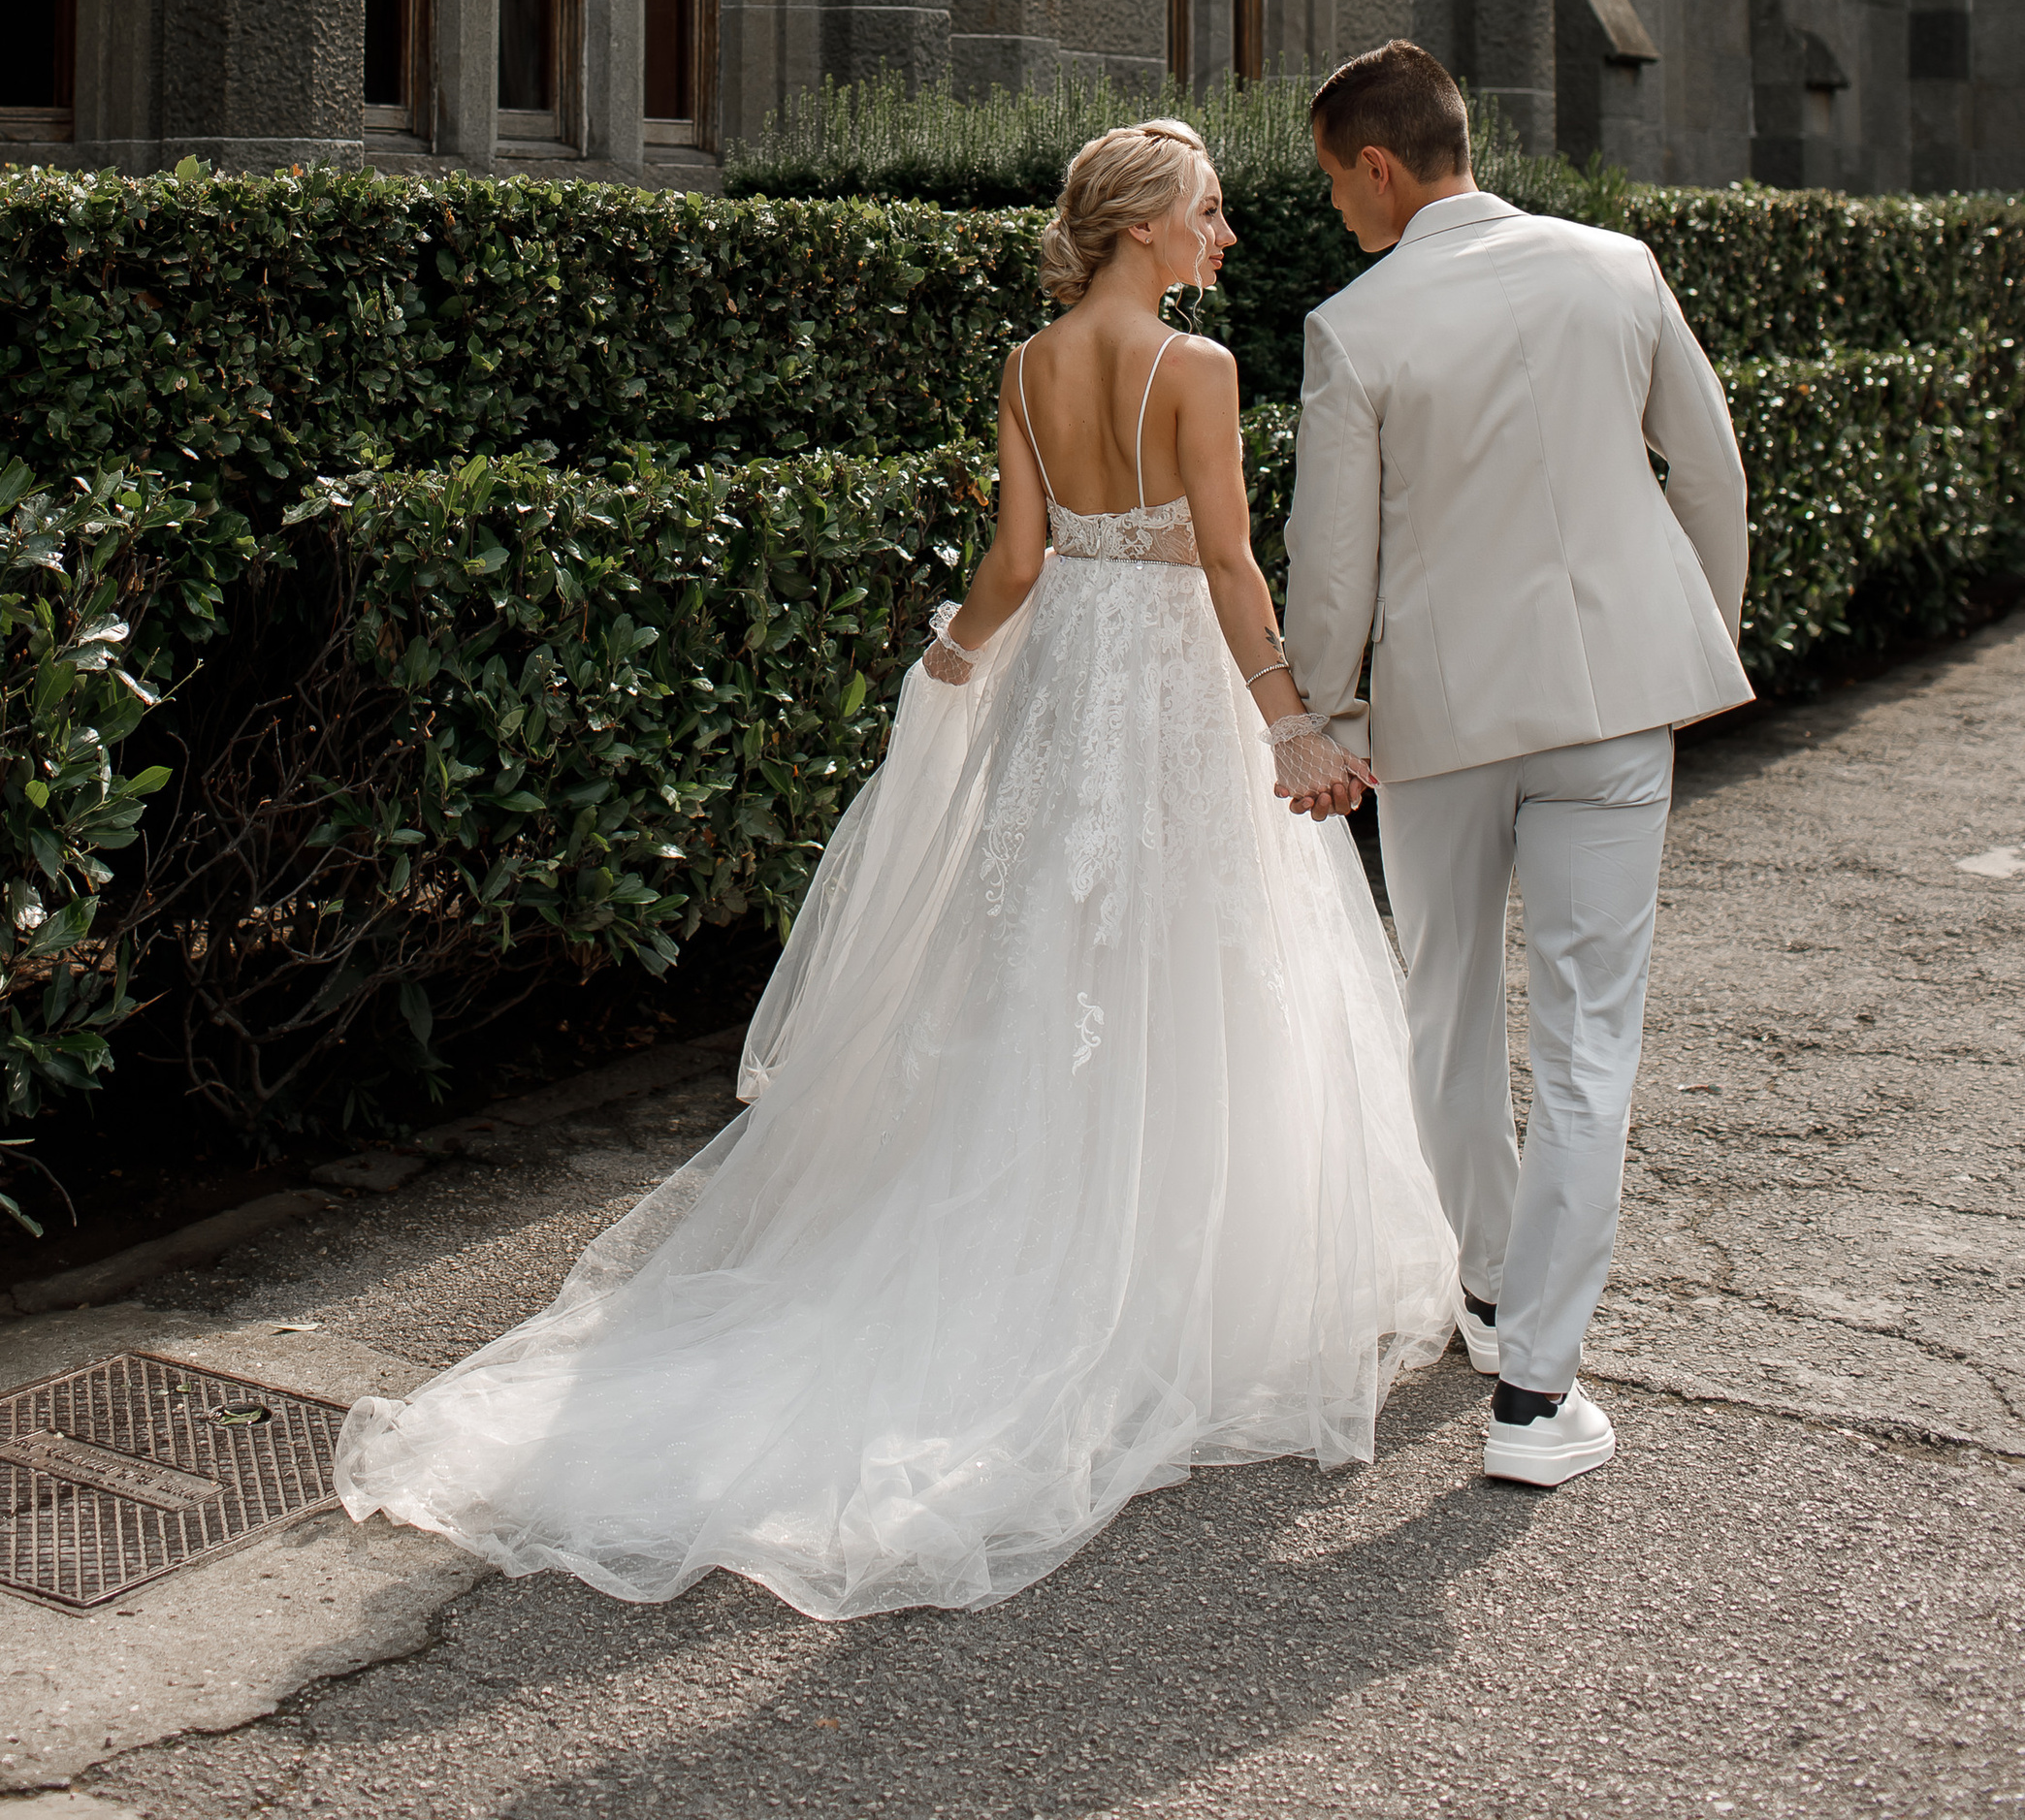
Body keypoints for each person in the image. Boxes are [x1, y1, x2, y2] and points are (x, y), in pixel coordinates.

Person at [334, 118, 1458, 1620]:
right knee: (1199, 948)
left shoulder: (1028, 365)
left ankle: (1059, 1221)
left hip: (1064, 676)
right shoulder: (1196, 369)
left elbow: (1014, 564)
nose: (1225, 233)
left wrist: (951, 665)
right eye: (1206, 209)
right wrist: (1291, 721)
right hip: (1177, 690)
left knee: (1048, 945)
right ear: (1143, 226)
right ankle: (1172, 1267)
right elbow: (1231, 562)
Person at [1282, 42, 1751, 1492]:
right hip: (1612, 704)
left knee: (1446, 1014)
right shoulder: (1619, 268)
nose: (1337, 209)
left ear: (1378, 166)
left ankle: (1490, 1288)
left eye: (1334, 181)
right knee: (1591, 1036)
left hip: (1440, 723)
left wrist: (1326, 712)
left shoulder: (1355, 325)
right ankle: (1538, 1390)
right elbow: (1712, 472)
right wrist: (1693, 645)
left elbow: (1332, 560)